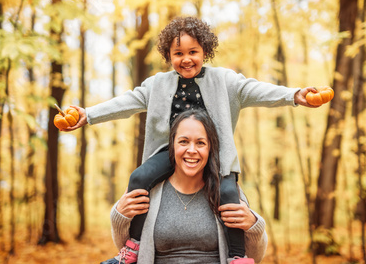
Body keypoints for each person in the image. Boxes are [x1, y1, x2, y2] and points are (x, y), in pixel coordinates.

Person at [64, 16, 319, 263]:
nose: (186, 59)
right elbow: (127, 102)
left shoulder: (224, 81)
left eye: (193, 52)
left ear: (205, 51)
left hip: (215, 155)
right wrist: (88, 115)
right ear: (169, 56)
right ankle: (134, 245)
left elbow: (256, 90)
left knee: (230, 194)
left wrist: (295, 95)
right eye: (178, 54)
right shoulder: (157, 85)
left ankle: (237, 257)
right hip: (172, 152)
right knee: (138, 178)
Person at [104, 109, 268, 264]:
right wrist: (119, 216)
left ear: (210, 147)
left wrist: (254, 226)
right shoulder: (150, 191)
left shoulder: (227, 192)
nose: (191, 150)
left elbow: (255, 257)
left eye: (200, 143)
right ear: (172, 144)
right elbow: (125, 251)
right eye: (183, 141)